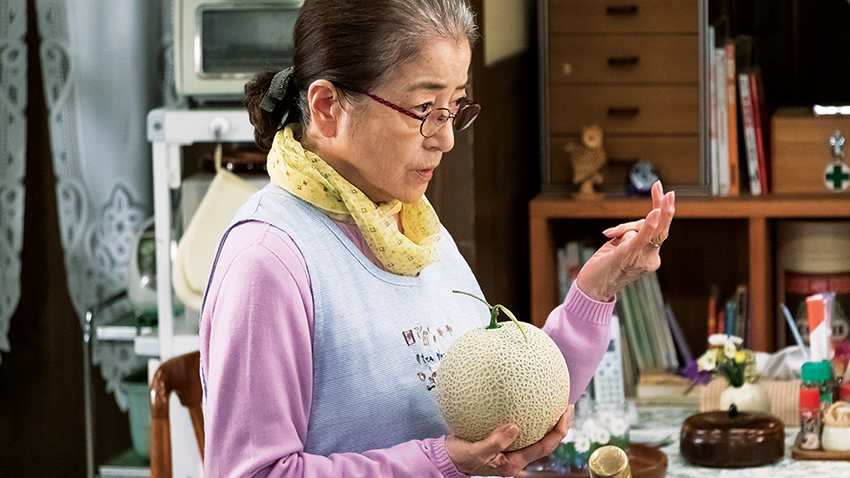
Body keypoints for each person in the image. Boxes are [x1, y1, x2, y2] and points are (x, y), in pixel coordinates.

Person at [199, 0, 676, 476]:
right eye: (424, 108)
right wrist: (443, 464)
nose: (445, 139)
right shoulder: (267, 261)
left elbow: (510, 404)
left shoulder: (412, 225)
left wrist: (596, 291)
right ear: (327, 108)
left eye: (454, 107)